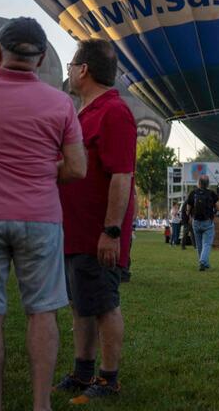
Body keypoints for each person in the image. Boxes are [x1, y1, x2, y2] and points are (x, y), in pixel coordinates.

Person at [0, 17, 86, 411]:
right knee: (42, 311)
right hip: (39, 216)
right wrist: (39, 168)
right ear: (43, 58)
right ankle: (40, 404)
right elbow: (77, 168)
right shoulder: (60, 103)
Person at [56, 38, 137, 404]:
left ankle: (108, 380)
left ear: (83, 69)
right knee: (81, 304)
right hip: (74, 232)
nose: (69, 71)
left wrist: (111, 231)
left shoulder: (113, 112)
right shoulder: (83, 113)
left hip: (97, 233)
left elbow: (122, 175)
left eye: (72, 65)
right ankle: (82, 371)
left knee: (104, 305)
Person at [185, 175, 219, 271]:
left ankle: (203, 264)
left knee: (199, 244)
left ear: (198, 183)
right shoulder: (211, 193)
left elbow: (188, 208)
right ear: (208, 183)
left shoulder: (193, 193)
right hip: (207, 222)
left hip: (195, 222)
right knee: (207, 244)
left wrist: (189, 216)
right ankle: (203, 261)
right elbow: (218, 208)